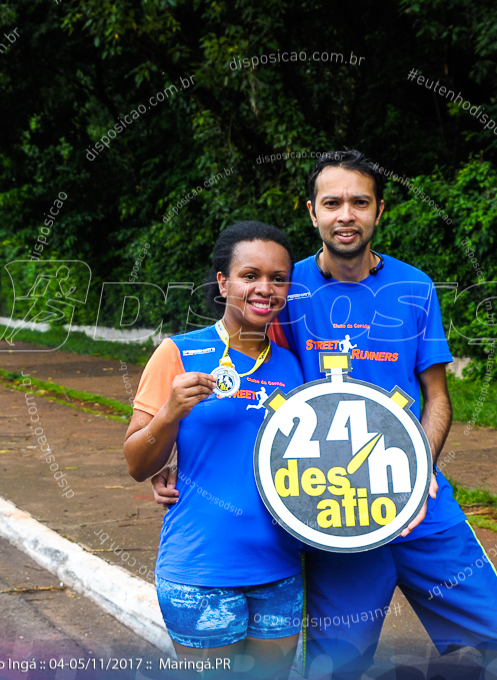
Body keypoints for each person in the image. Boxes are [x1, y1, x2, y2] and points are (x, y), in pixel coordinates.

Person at [154, 150, 497, 680]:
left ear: (380, 211)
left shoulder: (414, 287)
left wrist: (417, 474)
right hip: (330, 506)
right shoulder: (286, 288)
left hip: (418, 500)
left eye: (359, 202)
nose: (345, 215)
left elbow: (438, 396)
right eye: (332, 203)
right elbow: (244, 377)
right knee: (338, 667)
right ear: (313, 212)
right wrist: (174, 455)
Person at [124, 222, 305, 679]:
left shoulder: (294, 366)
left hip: (281, 568)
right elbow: (136, 463)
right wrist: (168, 413)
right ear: (224, 283)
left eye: (279, 278)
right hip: (201, 569)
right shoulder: (178, 353)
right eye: (250, 275)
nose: (265, 288)